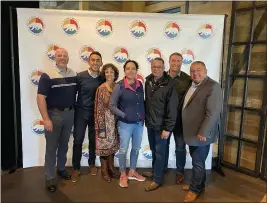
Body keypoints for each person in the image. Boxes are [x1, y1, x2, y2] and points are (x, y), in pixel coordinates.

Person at [37, 48, 77, 192]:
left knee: (64, 145)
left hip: (70, 114)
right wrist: (46, 119)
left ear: (68, 58)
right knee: (51, 147)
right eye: (59, 55)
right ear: (55, 58)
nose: (62, 58)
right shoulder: (47, 75)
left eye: (65, 55)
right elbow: (41, 98)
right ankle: (49, 177)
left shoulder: (73, 74)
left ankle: (61, 169)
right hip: (53, 115)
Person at [182, 61, 223, 202]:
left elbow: (213, 113)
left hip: (201, 134)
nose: (195, 73)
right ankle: (199, 184)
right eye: (192, 70)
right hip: (191, 131)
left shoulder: (213, 86)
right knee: (197, 161)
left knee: (198, 162)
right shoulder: (191, 83)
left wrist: (204, 132)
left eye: (198, 70)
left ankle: (195, 190)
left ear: (205, 70)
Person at [144, 57, 178, 192]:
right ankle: (156, 171)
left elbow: (172, 108)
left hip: (162, 127)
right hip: (150, 124)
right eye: (153, 66)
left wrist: (168, 128)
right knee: (154, 150)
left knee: (160, 153)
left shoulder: (170, 84)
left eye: (159, 67)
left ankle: (157, 180)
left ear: (164, 68)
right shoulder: (148, 81)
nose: (156, 69)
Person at [110, 59, 146, 188]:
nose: (131, 71)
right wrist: (125, 115)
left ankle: (132, 171)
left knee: (136, 149)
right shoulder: (119, 86)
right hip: (125, 124)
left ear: (137, 71)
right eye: (128, 68)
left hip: (139, 124)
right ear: (124, 71)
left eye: (133, 68)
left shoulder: (140, 85)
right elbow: (112, 106)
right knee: (123, 149)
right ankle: (123, 174)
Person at [71, 51, 104, 183]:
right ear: (89, 62)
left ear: (101, 62)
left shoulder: (103, 77)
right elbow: (73, 94)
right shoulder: (80, 76)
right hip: (81, 113)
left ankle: (91, 164)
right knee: (78, 140)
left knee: (93, 140)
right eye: (93, 60)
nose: (95, 62)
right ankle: (76, 169)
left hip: (95, 114)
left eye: (98, 60)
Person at [165, 52, 191, 184]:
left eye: (179, 61)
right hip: (165, 121)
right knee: (163, 146)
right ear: (169, 61)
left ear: (182, 62)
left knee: (180, 147)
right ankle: (161, 169)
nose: (176, 63)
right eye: (173, 60)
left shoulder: (188, 79)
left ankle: (180, 172)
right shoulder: (162, 77)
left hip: (181, 121)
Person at [94, 63, 120, 183]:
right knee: (104, 148)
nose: (109, 74)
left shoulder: (117, 87)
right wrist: (100, 127)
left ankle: (111, 168)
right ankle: (104, 171)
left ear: (115, 74)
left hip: (115, 123)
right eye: (107, 72)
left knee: (112, 147)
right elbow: (98, 109)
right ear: (104, 74)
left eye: (111, 72)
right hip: (104, 122)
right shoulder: (101, 89)